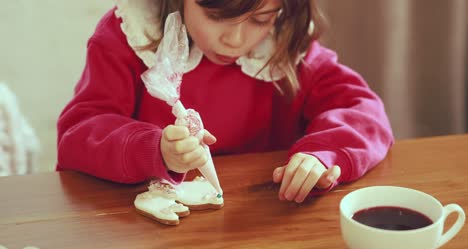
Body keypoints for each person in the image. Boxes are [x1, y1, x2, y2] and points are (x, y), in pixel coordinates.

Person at [57, 0, 394, 203]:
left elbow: (361, 111)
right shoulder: (131, 36)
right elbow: (78, 134)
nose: (235, 39)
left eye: (260, 19)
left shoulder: (284, 47)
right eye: (217, 16)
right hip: (141, 235)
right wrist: (154, 150)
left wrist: (323, 154)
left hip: (257, 226)